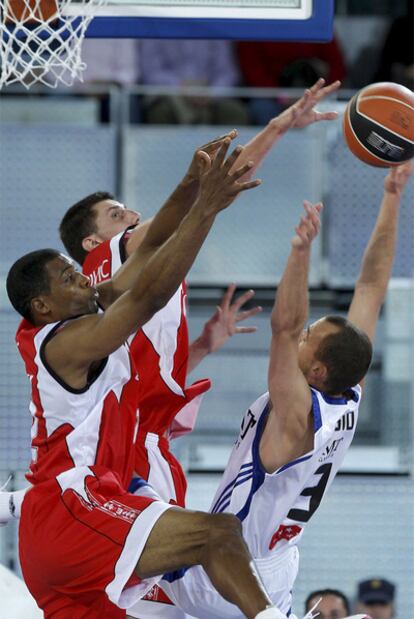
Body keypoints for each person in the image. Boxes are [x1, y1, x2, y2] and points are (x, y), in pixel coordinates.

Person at [6, 142, 289, 619]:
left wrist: (189, 182)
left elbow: (147, 254)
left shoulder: (77, 308)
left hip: (76, 518)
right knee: (216, 534)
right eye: (69, 278)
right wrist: (207, 207)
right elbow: (150, 293)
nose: (84, 281)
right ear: (43, 306)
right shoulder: (64, 341)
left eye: (79, 272)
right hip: (71, 510)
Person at [126, 161, 413, 619]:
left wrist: (299, 252)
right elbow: (372, 285)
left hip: (224, 573)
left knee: (121, 485)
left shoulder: (295, 410)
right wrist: (393, 198)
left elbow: (283, 327)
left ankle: (18, 505)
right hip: (278, 566)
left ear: (317, 370)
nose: (301, 338)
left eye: (309, 339)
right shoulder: (349, 388)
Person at [139, 39, 249, 125]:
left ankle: (230, 154)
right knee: (161, 111)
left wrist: (211, 93)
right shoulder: (156, 27)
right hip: (171, 93)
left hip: (211, 94)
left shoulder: (214, 27)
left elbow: (228, 73)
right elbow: (151, 73)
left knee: (234, 112)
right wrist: (182, 88)